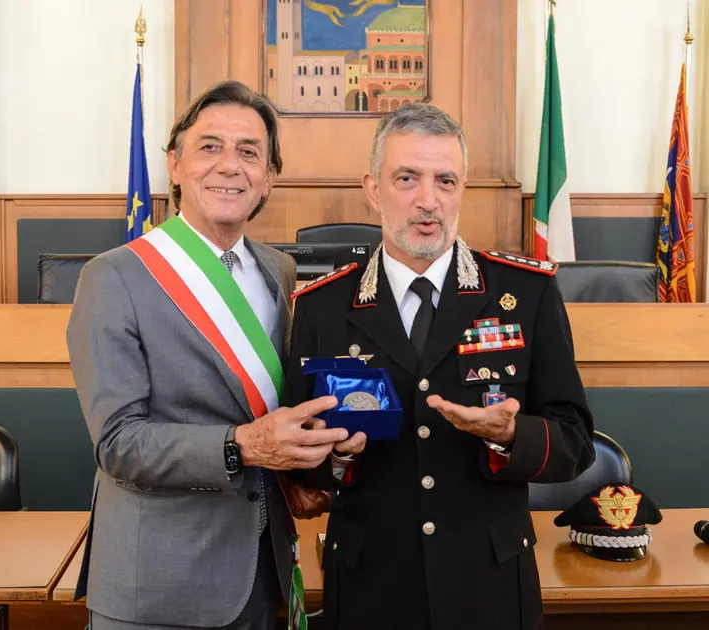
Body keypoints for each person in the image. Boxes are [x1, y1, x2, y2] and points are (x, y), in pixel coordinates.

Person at [283, 102, 595, 630]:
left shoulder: (526, 294)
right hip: (369, 586)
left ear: (462, 190)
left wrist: (509, 436)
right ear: (374, 189)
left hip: (489, 586)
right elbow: (298, 463)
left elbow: (575, 442)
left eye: (445, 181)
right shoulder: (322, 306)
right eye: (407, 178)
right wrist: (334, 456)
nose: (428, 200)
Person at [67, 80, 352, 630]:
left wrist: (313, 467)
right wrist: (243, 445)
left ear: (269, 176)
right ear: (175, 165)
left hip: (262, 570)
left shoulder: (279, 271)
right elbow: (118, 443)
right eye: (209, 147)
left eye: (249, 152)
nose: (229, 166)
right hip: (159, 585)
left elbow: (273, 404)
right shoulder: (113, 277)